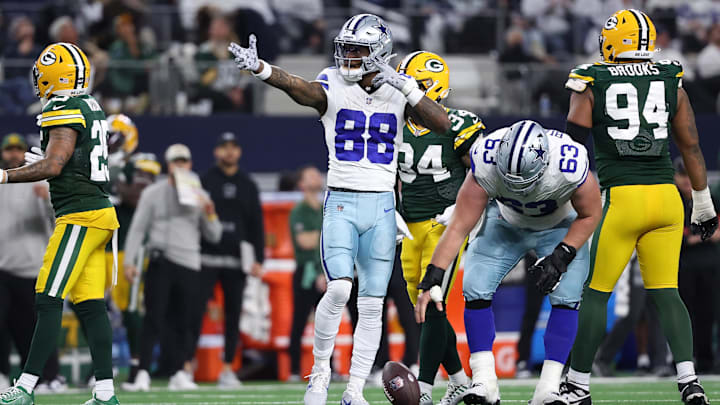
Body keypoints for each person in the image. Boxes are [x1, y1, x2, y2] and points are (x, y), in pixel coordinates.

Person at [228, 13, 450, 405]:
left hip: (382, 207)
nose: (347, 57)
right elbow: (300, 88)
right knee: (338, 288)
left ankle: (354, 390)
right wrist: (262, 70)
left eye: (356, 50)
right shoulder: (333, 83)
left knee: (372, 305)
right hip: (343, 201)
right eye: (345, 49)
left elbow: (441, 123)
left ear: (378, 53)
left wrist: (408, 88)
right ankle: (320, 375)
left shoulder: (399, 90)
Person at [562, 9, 718, 405]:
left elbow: (573, 150)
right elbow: (692, 146)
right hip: (667, 199)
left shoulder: (590, 80)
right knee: (668, 293)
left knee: (596, 294)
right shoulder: (671, 79)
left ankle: (577, 384)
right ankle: (689, 380)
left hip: (623, 198)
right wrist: (702, 202)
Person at [416, 121, 602, 405]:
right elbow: (459, 225)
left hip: (559, 225)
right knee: (475, 285)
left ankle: (548, 388)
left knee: (568, 295)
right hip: (506, 221)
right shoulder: (486, 156)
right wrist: (434, 272)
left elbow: (590, 214)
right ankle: (484, 382)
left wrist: (562, 255)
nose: (520, 188)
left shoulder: (568, 162)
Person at [0, 43, 121, 405]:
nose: (39, 79)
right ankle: (105, 393)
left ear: (57, 73)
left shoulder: (63, 105)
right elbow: (69, 158)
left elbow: (54, 165)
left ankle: (25, 387)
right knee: (89, 303)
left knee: (48, 296)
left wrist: (5, 176)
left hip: (80, 214)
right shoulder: (88, 103)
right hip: (99, 211)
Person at [395, 50, 484, 405]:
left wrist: (462, 209)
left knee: (431, 301)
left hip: (445, 224)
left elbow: (484, 172)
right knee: (425, 309)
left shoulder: (459, 124)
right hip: (409, 225)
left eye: (409, 83)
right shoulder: (394, 120)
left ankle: (424, 388)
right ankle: (460, 379)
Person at [122, 144, 222, 392]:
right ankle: (143, 373)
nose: (180, 166)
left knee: (184, 321)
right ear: (168, 165)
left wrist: (210, 214)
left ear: (189, 164)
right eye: (176, 161)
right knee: (153, 318)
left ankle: (179, 371)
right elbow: (137, 228)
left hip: (189, 263)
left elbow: (214, 235)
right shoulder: (153, 193)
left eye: (184, 161)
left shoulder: (200, 195)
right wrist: (129, 261)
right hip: (161, 260)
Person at [0, 133, 67, 394]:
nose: (14, 154)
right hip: (2, 268)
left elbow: (62, 215)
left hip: (32, 268)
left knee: (33, 328)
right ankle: (2, 375)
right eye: (9, 150)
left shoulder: (43, 181)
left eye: (18, 150)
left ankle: (47, 377)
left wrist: (49, 199)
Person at [197, 132, 265, 388]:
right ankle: (184, 368)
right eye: (224, 147)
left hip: (237, 261)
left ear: (239, 152)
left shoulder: (248, 184)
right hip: (206, 257)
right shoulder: (205, 181)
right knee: (193, 312)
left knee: (233, 316)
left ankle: (227, 368)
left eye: (233, 147)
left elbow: (256, 223)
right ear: (216, 151)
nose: (229, 152)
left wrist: (258, 258)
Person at [674, 157, 720, 373]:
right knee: (685, 313)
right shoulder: (672, 200)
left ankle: (707, 360)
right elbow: (677, 235)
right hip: (683, 264)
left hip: (709, 263)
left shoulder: (707, 197)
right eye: (683, 175)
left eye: (689, 175)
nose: (686, 181)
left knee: (708, 312)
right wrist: (700, 236)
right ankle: (684, 361)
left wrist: (697, 236)